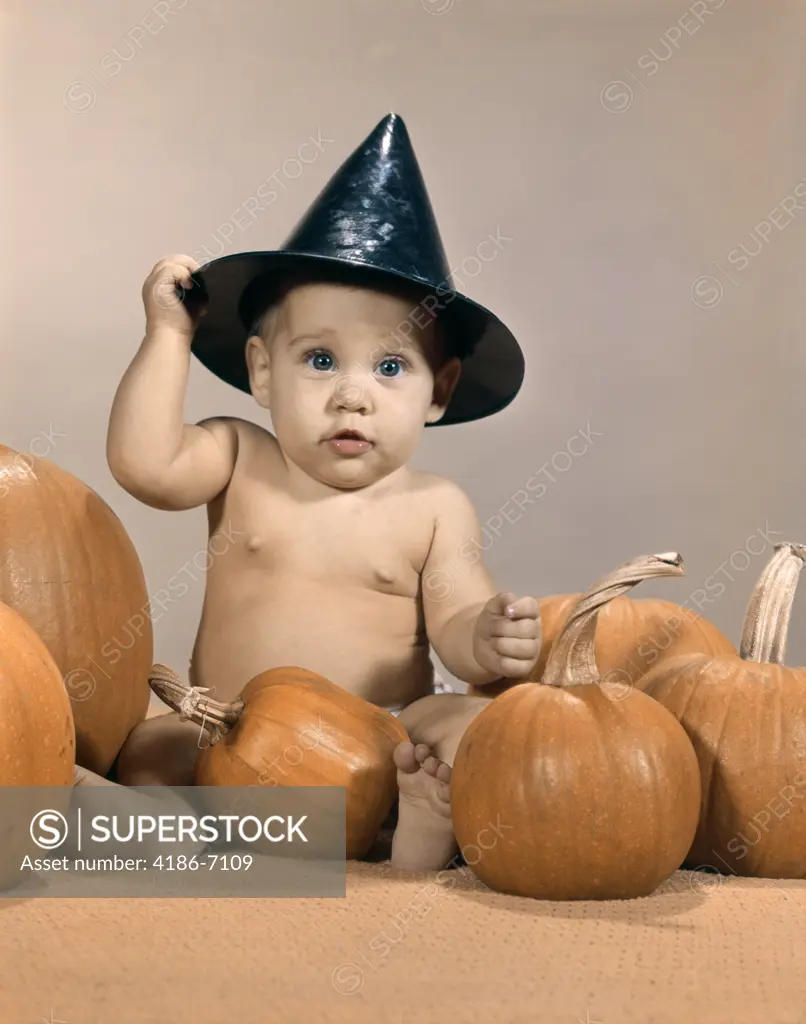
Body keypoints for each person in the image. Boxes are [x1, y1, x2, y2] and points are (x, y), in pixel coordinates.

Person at [83, 114, 541, 872]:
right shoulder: (239, 457)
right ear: (263, 372)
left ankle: (411, 824)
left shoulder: (433, 506)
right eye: (321, 359)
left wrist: (486, 636)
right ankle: (338, 839)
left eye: (390, 369)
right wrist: (169, 335)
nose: (352, 397)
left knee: (470, 726)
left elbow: (457, 615)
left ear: (440, 390)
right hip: (235, 732)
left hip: (377, 736)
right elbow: (146, 465)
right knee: (150, 749)